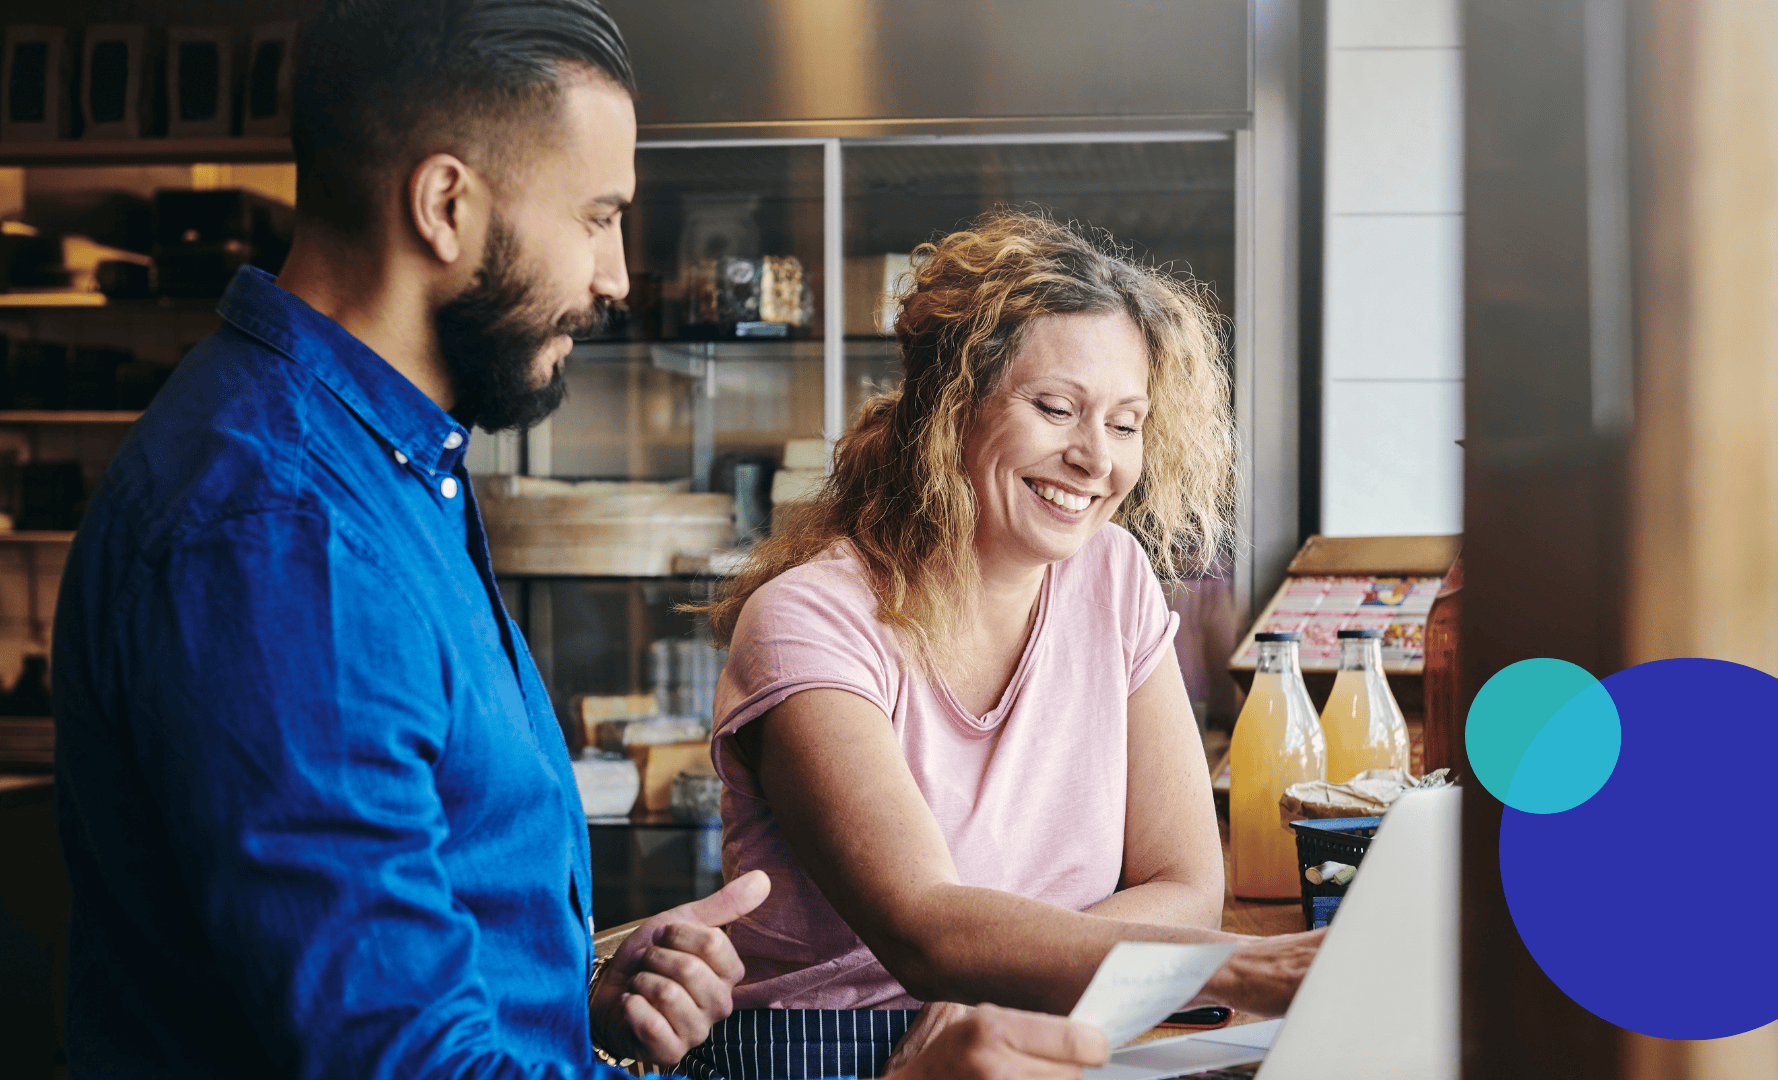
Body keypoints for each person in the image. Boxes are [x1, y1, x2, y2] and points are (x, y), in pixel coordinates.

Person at [49, 3, 1104, 1077]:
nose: (617, 277)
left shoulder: (381, 466)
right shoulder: (285, 539)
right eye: (598, 217)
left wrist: (574, 984)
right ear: (445, 206)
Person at [682, 212, 1327, 1080]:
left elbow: (1186, 882)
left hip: (1056, 1026)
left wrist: (1000, 982)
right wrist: (1240, 968)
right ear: (952, 411)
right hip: (825, 1053)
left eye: (1127, 422)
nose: (1096, 458)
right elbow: (924, 929)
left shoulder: (1113, 575)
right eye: (1057, 409)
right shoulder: (811, 619)